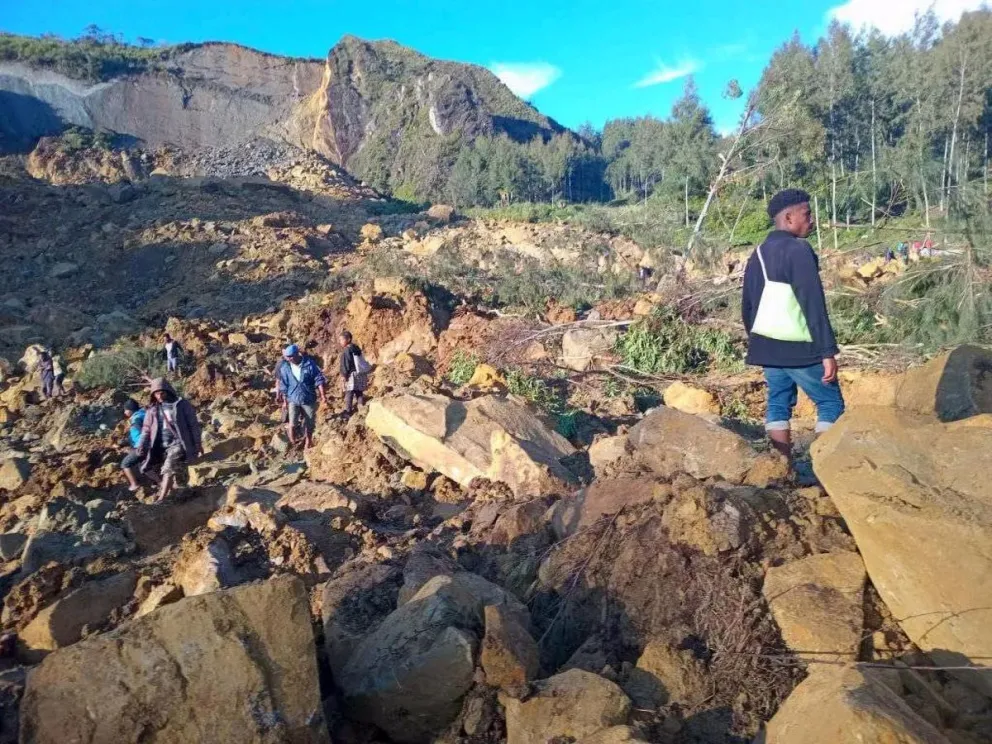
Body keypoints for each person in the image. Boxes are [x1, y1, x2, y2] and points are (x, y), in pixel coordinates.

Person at [741, 189, 844, 461]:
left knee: (778, 403)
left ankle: (781, 468)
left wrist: (759, 340)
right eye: (807, 214)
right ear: (788, 218)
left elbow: (748, 305)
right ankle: (825, 470)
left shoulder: (758, 253)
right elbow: (812, 303)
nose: (812, 221)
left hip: (767, 345)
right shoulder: (799, 250)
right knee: (830, 402)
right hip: (801, 347)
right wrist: (827, 351)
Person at [136, 378, 202, 502]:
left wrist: (197, 443)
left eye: (162, 393)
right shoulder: (152, 409)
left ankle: (162, 497)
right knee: (176, 473)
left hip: (178, 442)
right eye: (156, 393)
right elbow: (146, 429)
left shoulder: (181, 405)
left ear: (168, 391)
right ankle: (179, 494)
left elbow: (193, 424)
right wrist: (141, 444)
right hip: (160, 445)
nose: (159, 396)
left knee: (169, 467)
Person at [275, 344, 327, 449]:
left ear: (296, 354)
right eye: (287, 357)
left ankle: (308, 441)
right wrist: (284, 401)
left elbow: (318, 379)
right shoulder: (285, 368)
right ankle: (293, 442)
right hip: (293, 398)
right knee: (292, 423)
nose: (289, 359)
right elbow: (283, 385)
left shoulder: (309, 364)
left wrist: (323, 395)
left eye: (291, 356)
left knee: (309, 423)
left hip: (308, 398)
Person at [338, 330, 369, 415]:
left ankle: (348, 411)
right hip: (360, 373)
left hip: (351, 374)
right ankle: (361, 407)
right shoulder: (356, 347)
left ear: (348, 339)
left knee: (349, 392)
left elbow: (346, 364)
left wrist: (344, 375)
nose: (340, 342)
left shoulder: (346, 350)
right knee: (359, 391)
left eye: (341, 340)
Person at [120, 398, 146, 492]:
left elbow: (142, 433)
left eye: (125, 410)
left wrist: (142, 445)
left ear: (129, 410)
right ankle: (159, 482)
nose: (124, 412)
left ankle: (134, 485)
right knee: (144, 466)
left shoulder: (136, 419)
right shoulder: (143, 414)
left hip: (142, 447)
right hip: (147, 445)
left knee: (125, 464)